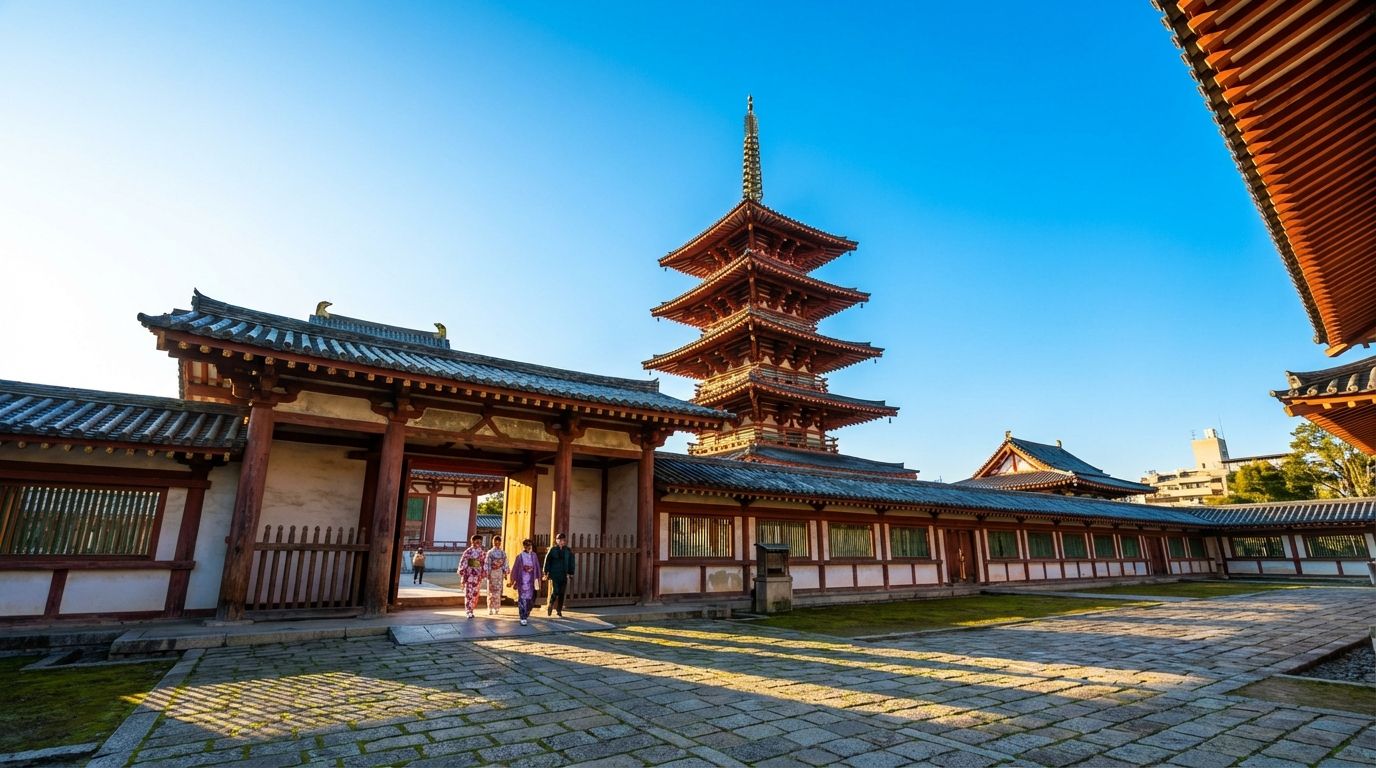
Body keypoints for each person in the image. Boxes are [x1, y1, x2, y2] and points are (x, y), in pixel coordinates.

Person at [508, 538, 542, 626]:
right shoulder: (519, 557)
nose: (528, 547)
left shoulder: (534, 555)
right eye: (526, 545)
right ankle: (522, 616)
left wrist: (539, 577)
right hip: (522, 580)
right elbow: (515, 569)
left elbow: (537, 567)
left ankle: (526, 613)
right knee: (522, 599)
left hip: (531, 580)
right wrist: (512, 580)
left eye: (530, 545)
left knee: (530, 599)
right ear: (524, 546)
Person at [543, 532, 575, 617]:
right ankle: (551, 604)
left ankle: (559, 610)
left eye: (563, 540)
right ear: (556, 540)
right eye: (559, 540)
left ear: (565, 541)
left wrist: (571, 572)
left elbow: (571, 562)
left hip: (563, 574)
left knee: (562, 592)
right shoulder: (552, 550)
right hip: (555, 574)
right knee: (556, 590)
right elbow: (547, 561)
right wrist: (546, 572)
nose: (561, 541)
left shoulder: (568, 550)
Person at [458, 534, 486, 619]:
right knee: (468, 593)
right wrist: (463, 571)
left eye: (479, 541)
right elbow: (463, 562)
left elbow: (484, 563)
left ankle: (472, 609)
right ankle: (468, 610)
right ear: (472, 541)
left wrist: (483, 571)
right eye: (476, 541)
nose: (478, 543)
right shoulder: (468, 551)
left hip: (477, 576)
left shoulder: (482, 552)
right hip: (469, 574)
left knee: (475, 593)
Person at [483, 535, 508, 615]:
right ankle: (490, 607)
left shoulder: (502, 552)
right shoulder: (490, 552)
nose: (497, 543)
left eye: (498, 541)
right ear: (492, 542)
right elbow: (487, 563)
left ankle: (496, 608)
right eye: (495, 541)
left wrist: (505, 572)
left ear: (500, 542)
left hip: (499, 572)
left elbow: (505, 563)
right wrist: (488, 573)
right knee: (491, 590)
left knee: (498, 591)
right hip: (492, 572)